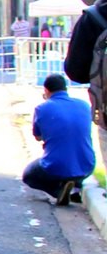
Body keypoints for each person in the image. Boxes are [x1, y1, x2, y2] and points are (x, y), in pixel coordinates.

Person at [23, 74, 93, 205]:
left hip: (56, 166)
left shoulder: (41, 108)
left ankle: (59, 191)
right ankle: (75, 186)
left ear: (46, 90)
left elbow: (38, 137)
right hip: (87, 165)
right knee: (72, 161)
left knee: (29, 175)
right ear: (65, 89)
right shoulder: (84, 105)